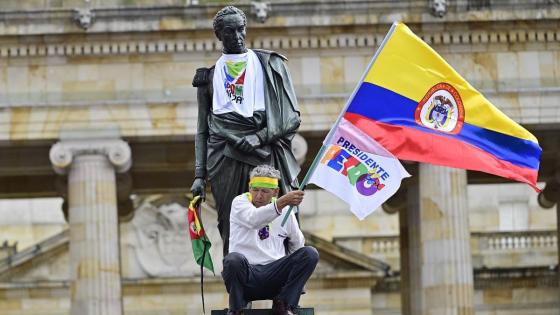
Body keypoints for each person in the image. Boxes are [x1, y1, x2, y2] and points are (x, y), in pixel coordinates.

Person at [190, 6, 301, 257]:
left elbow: (292, 117)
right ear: (219, 35)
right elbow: (202, 130)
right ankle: (239, 289)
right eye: (230, 32)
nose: (238, 36)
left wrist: (259, 137)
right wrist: (199, 175)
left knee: (277, 217)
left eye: (241, 29)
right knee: (230, 223)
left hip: (265, 152)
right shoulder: (208, 78)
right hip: (224, 157)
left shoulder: (271, 65)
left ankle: (284, 290)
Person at [222, 165, 318, 315]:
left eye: (265, 191)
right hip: (247, 275)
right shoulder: (240, 202)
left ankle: (284, 304)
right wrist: (282, 202)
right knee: (232, 260)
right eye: (255, 189)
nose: (259, 196)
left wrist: (296, 279)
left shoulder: (286, 212)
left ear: (275, 192)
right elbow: (254, 220)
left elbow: (297, 244)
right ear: (249, 187)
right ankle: (236, 308)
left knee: (310, 253)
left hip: (274, 274)